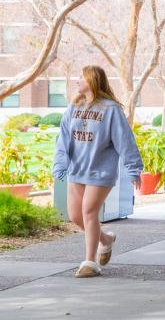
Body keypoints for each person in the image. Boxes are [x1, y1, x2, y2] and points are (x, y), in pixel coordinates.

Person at [53, 65, 143, 278]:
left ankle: (89, 262)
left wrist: (133, 169)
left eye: (81, 77)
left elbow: (125, 140)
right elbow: (63, 140)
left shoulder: (110, 109)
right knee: (76, 217)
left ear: (92, 80)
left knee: (89, 212)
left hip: (101, 172)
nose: (77, 81)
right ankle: (106, 239)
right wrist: (60, 165)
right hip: (78, 170)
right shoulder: (74, 108)